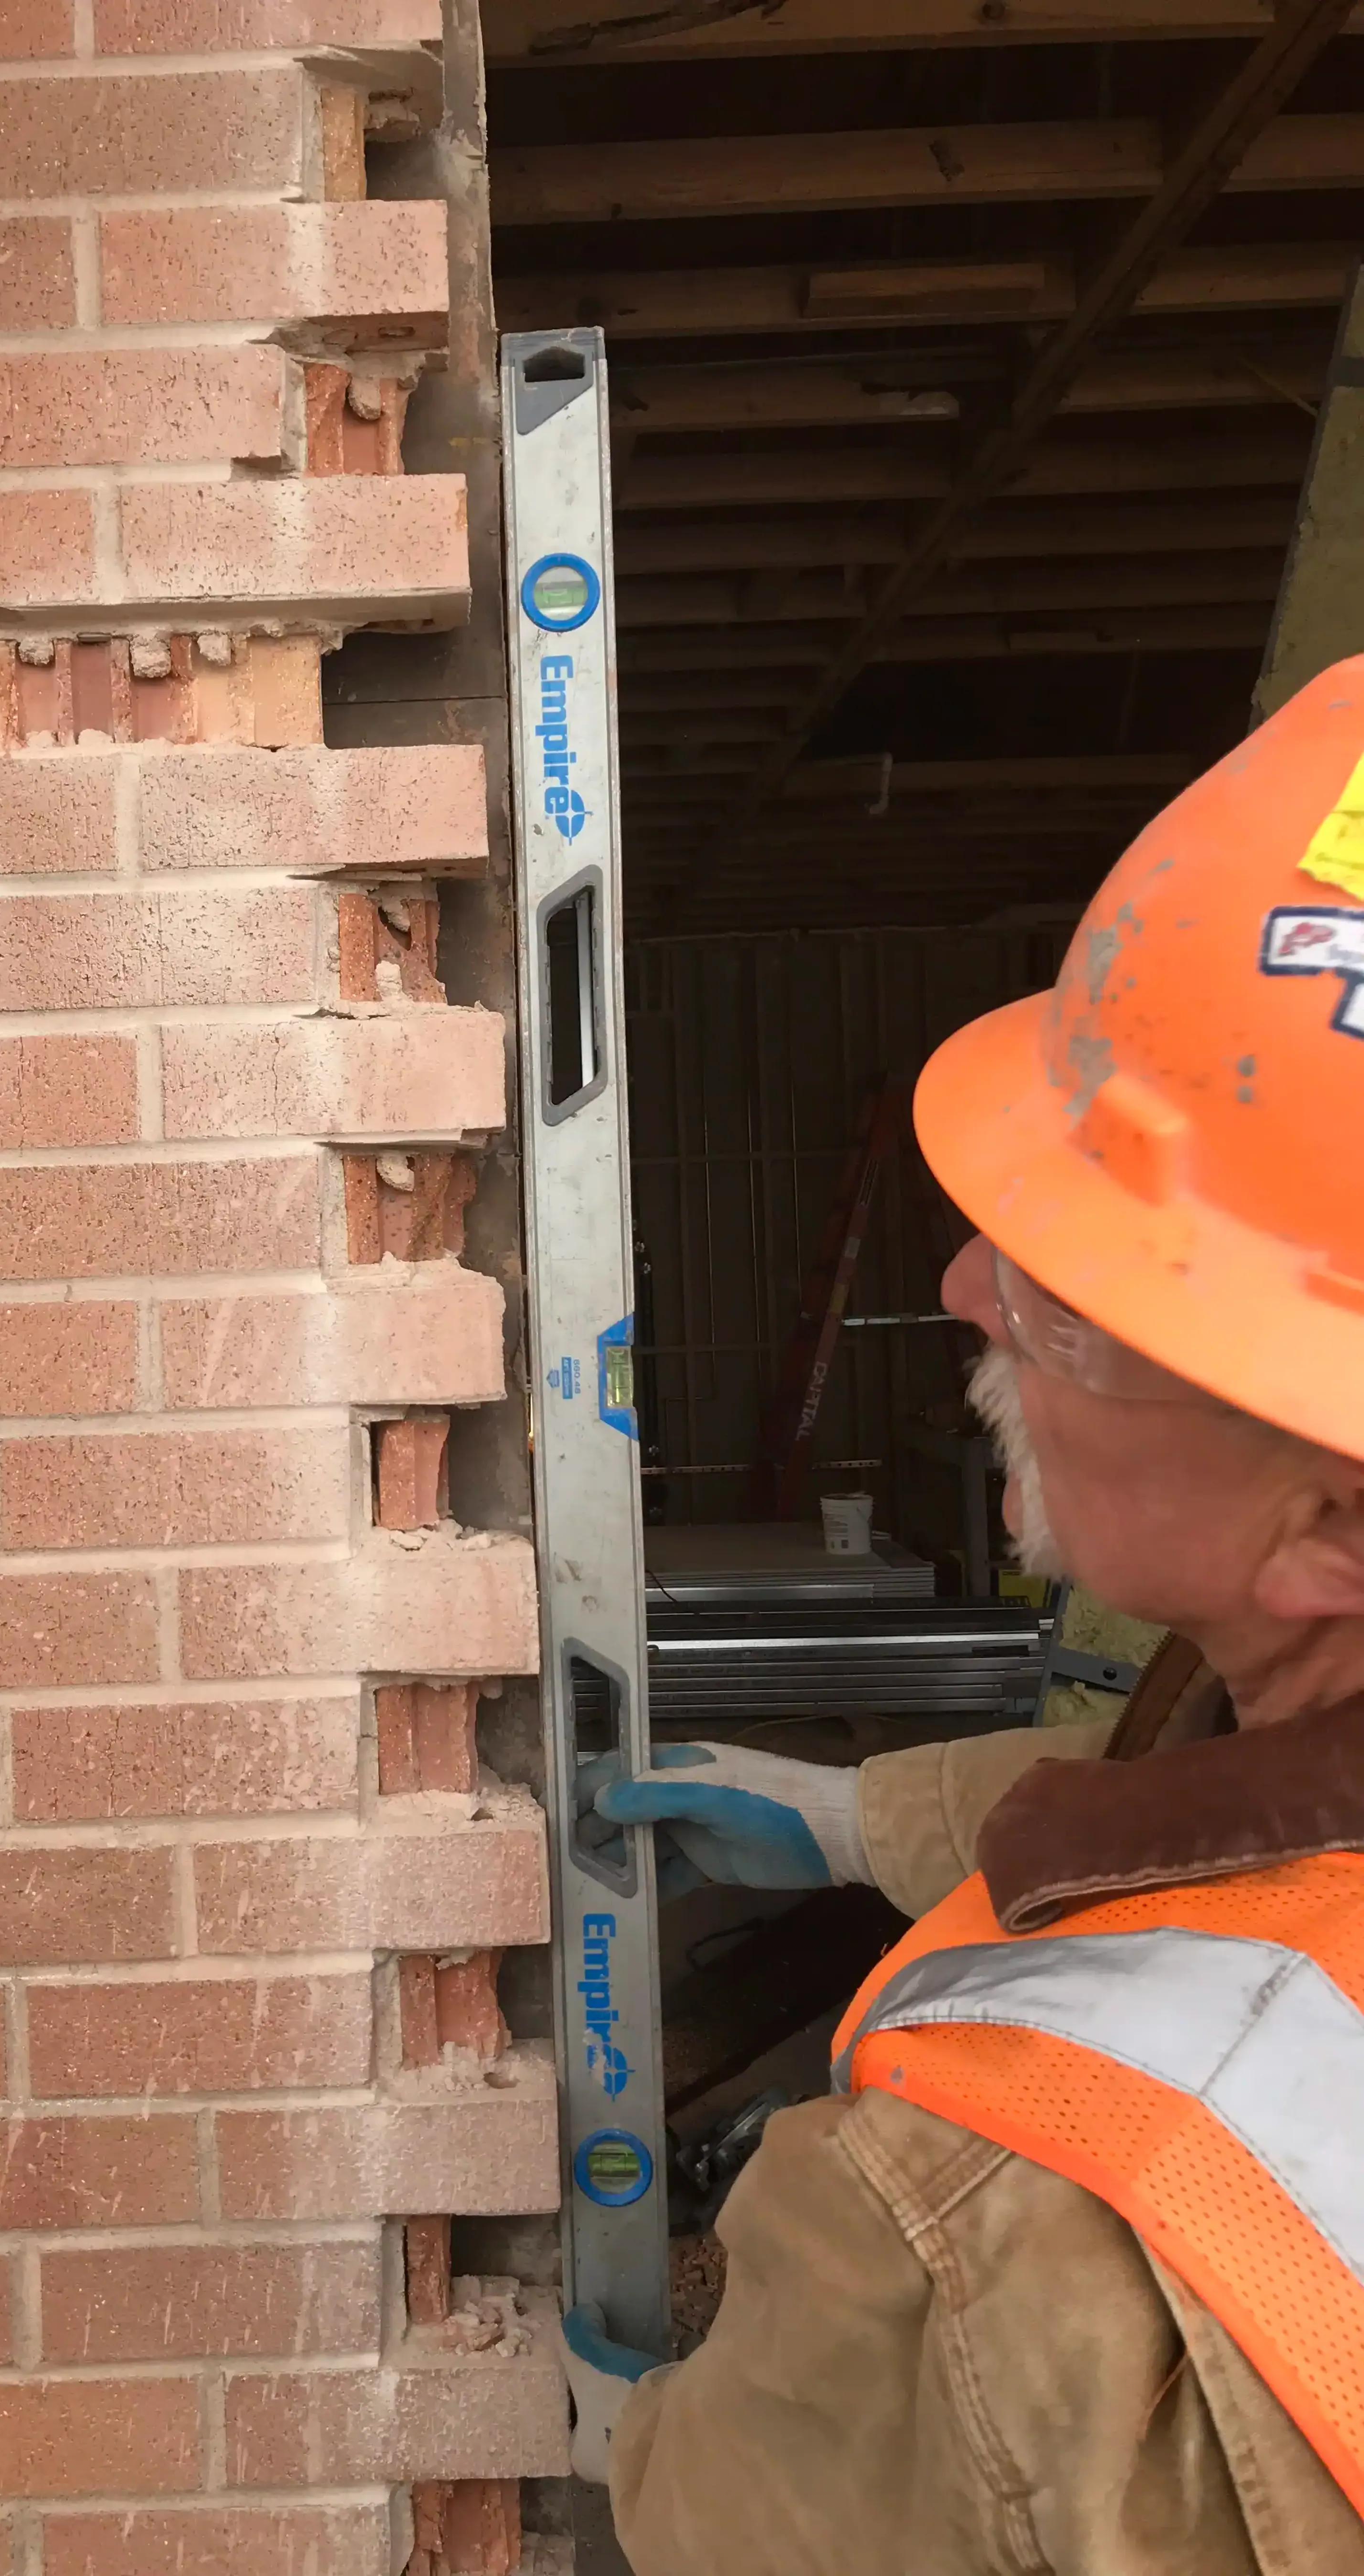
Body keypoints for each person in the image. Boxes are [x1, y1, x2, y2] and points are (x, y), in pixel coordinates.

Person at [562, 657, 1364, 2572]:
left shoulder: (1005, 2224)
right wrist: (846, 1817)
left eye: (1095, 1288)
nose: (976, 1289)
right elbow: (1252, 1808)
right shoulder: (1281, 1695)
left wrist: (698, 2439)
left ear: (1331, 1527)